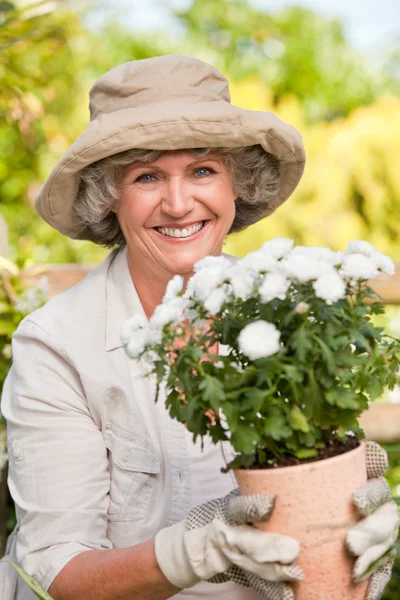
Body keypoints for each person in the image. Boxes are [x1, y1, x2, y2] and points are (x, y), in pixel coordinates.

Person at [0, 55, 398, 600]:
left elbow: (315, 525)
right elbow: (54, 572)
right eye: (147, 176)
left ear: (238, 183)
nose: (180, 203)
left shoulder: (290, 317)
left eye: (203, 170)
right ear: (109, 198)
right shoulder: (58, 343)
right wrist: (197, 551)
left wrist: (350, 537)